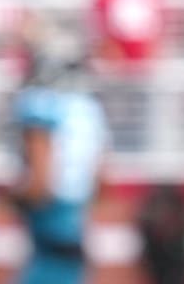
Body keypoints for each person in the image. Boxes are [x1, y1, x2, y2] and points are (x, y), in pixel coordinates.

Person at [8, 29, 111, 284]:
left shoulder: (40, 103)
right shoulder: (89, 108)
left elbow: (41, 184)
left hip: (52, 216)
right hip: (75, 216)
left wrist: (11, 197)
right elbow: (102, 180)